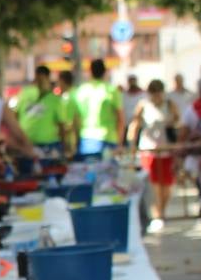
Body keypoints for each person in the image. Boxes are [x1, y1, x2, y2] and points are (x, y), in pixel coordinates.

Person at [127, 79, 180, 233]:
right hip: (149, 150)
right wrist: (132, 145)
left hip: (166, 149)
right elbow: (135, 125)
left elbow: (178, 121)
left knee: (167, 185)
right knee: (153, 185)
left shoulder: (170, 105)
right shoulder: (143, 105)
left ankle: (161, 211)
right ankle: (157, 215)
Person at [10, 65, 74, 155]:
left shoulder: (53, 99)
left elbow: (61, 125)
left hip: (45, 144)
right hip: (31, 144)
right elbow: (62, 125)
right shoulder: (25, 94)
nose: (40, 82)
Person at [71, 58, 125, 158]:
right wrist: (120, 143)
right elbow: (120, 119)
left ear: (90, 72)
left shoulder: (80, 92)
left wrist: (76, 142)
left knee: (89, 171)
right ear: (105, 72)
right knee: (108, 172)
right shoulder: (112, 91)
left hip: (86, 139)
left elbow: (75, 120)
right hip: (108, 139)